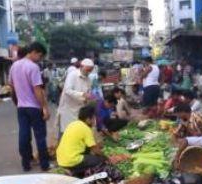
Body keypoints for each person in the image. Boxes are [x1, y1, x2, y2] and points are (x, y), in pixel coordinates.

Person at [9, 42, 51, 171]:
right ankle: (44, 165)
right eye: (40, 56)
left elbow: (11, 86)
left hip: (21, 107)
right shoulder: (33, 67)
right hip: (34, 107)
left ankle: (26, 164)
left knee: (24, 135)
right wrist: (44, 107)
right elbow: (37, 89)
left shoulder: (14, 66)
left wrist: (17, 101)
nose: (40, 59)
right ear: (34, 52)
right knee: (40, 136)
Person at [56, 105, 127, 175]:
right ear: (88, 119)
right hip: (71, 160)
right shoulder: (85, 129)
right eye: (93, 118)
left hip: (60, 159)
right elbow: (95, 150)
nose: (94, 120)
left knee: (89, 153)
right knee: (100, 160)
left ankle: (74, 169)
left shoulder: (73, 124)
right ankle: (74, 171)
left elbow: (89, 146)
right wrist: (106, 158)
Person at [57, 58, 94, 136]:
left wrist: (88, 99)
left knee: (77, 132)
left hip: (80, 109)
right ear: (81, 66)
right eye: (87, 70)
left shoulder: (89, 79)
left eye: (90, 71)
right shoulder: (72, 75)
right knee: (66, 131)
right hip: (68, 109)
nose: (88, 72)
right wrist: (82, 94)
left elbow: (88, 92)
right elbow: (67, 90)